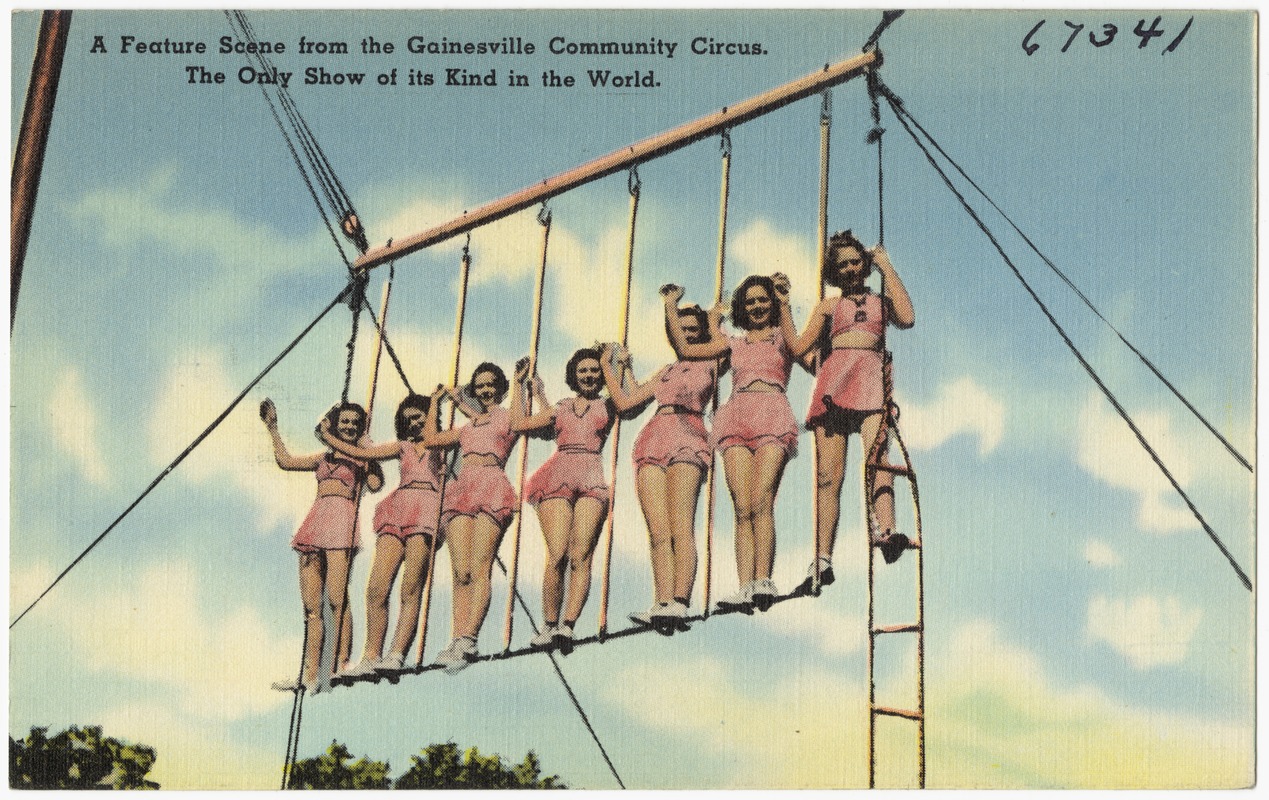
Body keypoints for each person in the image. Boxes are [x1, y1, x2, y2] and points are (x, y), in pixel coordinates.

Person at [787, 230, 915, 594]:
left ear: (865, 264)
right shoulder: (829, 306)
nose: (849, 269)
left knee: (879, 459)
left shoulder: (880, 302)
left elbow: (907, 317)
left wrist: (886, 266)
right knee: (830, 475)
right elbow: (799, 347)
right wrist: (785, 308)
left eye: (855, 261)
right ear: (834, 270)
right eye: (841, 264)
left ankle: (886, 530)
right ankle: (823, 557)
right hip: (835, 383)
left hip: (872, 382)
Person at [662, 276, 799, 612]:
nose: (756, 306)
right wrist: (670, 306)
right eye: (750, 301)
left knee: (760, 499)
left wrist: (784, 299)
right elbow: (686, 349)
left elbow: (799, 343)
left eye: (761, 300)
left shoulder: (784, 337)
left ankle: (763, 578)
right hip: (737, 415)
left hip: (771, 412)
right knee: (741, 505)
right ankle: (745, 585)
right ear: (742, 307)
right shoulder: (734, 343)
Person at [601, 287, 719, 633]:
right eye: (681, 328)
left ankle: (680, 600)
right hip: (655, 436)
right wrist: (613, 366)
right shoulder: (666, 371)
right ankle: (662, 600)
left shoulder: (712, 360)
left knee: (681, 525)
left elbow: (697, 337)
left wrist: (692, 311)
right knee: (658, 531)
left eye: (692, 329)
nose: (686, 334)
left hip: (688, 431)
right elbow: (626, 403)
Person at [261, 398, 383, 694]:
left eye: (356, 423)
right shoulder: (324, 458)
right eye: (345, 422)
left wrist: (365, 445)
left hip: (341, 523)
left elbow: (377, 484)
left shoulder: (361, 457)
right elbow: (286, 462)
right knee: (312, 607)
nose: (350, 427)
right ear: (336, 426)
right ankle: (310, 672)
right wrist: (273, 428)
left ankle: (338, 664)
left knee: (336, 599)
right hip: (316, 521)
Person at [318, 394, 445, 678]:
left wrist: (437, 403)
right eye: (409, 419)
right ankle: (371, 655)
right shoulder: (403, 447)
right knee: (376, 588)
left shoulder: (443, 442)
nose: (415, 423)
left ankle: (396, 653)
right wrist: (328, 436)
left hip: (427, 509)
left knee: (410, 587)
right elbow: (363, 455)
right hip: (398, 508)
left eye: (419, 416)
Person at [422, 363, 523, 674]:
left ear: (501, 388)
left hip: (491, 483)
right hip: (463, 487)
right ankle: (456, 637)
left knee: (480, 566)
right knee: (460, 570)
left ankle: (469, 637)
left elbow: (519, 420)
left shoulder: (507, 416)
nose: (486, 390)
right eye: (480, 386)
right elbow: (430, 439)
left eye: (492, 384)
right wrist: (434, 402)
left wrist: (519, 384)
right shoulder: (467, 427)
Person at [515, 349, 616, 653]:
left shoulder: (609, 404)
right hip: (558, 473)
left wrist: (615, 362)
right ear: (574, 374)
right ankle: (548, 623)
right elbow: (520, 424)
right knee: (557, 553)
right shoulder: (561, 407)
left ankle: (567, 625)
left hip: (590, 474)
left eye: (594, 371)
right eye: (583, 370)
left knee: (581, 554)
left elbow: (627, 395)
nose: (589, 375)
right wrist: (519, 386)